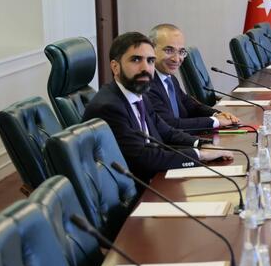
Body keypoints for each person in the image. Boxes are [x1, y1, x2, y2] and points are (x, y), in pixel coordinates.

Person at [82, 32, 233, 183]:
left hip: (156, 179)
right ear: (115, 67)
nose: (145, 68)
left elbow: (167, 132)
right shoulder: (109, 107)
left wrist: (203, 144)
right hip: (140, 189)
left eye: (150, 61)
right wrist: (199, 155)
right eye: (136, 60)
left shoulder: (139, 95)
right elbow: (144, 158)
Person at [147, 23, 239, 130]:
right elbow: (170, 125)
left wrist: (217, 114)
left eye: (181, 52)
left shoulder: (169, 78)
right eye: (169, 50)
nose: (176, 59)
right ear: (151, 49)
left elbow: (190, 105)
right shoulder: (147, 84)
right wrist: (216, 122)